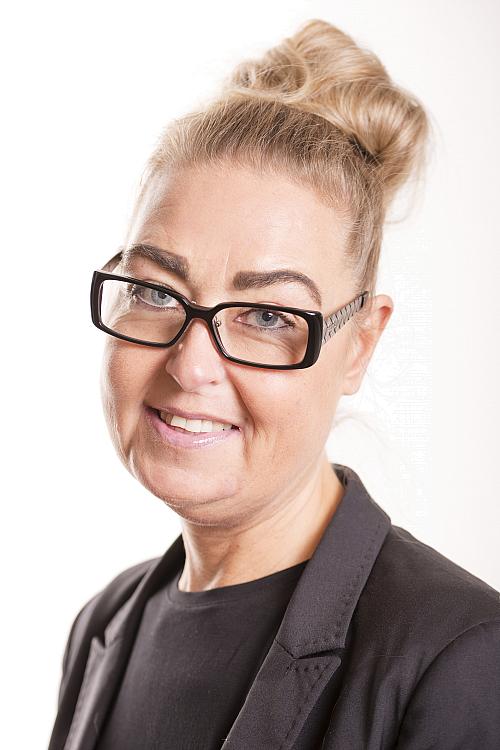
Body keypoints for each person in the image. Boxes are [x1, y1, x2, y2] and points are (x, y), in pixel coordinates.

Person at [48, 18, 500, 750]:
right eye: (157, 291)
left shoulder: (459, 659)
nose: (191, 365)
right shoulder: (101, 627)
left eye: (266, 316)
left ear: (360, 344)